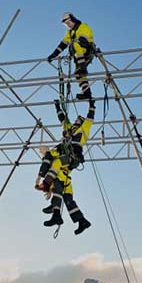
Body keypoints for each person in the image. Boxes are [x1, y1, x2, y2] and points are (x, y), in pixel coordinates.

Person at [35, 99, 96, 235]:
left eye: (77, 121)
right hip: (67, 163)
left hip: (73, 156)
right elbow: (63, 119)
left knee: (56, 163)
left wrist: (92, 106)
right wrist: (57, 106)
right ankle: (81, 221)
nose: (75, 122)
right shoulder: (69, 129)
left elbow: (90, 119)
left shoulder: (83, 129)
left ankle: (46, 185)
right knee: (67, 197)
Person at [47, 12, 95, 100]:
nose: (68, 26)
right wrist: (54, 54)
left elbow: (84, 40)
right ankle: (87, 93)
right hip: (79, 56)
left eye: (68, 23)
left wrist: (74, 42)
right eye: (66, 24)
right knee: (78, 75)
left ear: (73, 20)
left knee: (74, 45)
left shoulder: (83, 27)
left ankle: (83, 67)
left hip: (87, 50)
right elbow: (63, 44)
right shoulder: (69, 33)